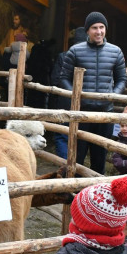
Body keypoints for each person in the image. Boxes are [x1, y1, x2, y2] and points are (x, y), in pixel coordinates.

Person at [59, 12, 127, 174]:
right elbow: (63, 78)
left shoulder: (115, 52)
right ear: (87, 31)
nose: (98, 31)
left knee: (100, 157)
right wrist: (77, 96)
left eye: (101, 27)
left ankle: (97, 195)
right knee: (77, 156)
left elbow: (122, 79)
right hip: (81, 113)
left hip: (105, 114)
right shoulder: (75, 51)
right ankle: (74, 193)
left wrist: (112, 96)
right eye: (94, 28)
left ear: (106, 29)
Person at [50, 27, 87, 158]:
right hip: (86, 101)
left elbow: (55, 79)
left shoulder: (63, 56)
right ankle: (77, 166)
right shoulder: (91, 57)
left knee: (62, 135)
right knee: (82, 135)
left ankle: (66, 165)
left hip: (65, 101)